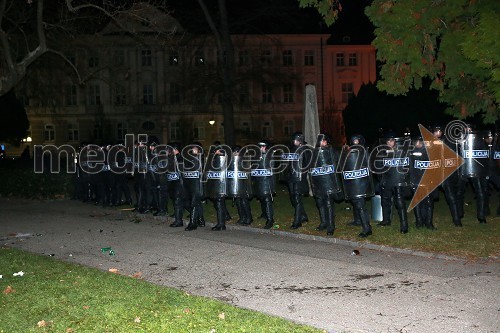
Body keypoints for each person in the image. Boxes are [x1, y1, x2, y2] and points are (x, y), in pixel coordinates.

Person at [375, 131, 410, 234]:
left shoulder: (401, 152)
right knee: (385, 200)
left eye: (393, 140)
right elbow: (378, 166)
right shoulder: (382, 152)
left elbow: (406, 167)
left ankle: (404, 225)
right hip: (386, 180)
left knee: (400, 202)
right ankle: (386, 220)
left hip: (397, 180)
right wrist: (381, 179)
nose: (391, 143)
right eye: (389, 141)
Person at [339, 134, 374, 238]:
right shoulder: (349, 153)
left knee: (360, 205)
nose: (355, 143)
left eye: (357, 142)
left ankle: (367, 228)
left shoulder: (364, 152)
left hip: (362, 182)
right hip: (353, 182)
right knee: (355, 202)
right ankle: (358, 221)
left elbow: (369, 166)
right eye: (354, 142)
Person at [309, 134, 341, 236]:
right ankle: (323, 222)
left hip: (329, 183)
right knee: (319, 203)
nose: (322, 143)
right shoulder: (314, 153)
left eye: (324, 141)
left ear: (327, 142)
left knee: (328, 204)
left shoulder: (332, 151)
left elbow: (338, 163)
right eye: (320, 141)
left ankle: (331, 226)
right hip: (318, 183)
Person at [431, 125, 463, 226]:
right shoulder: (430, 143)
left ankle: (458, 216)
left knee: (455, 195)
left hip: (450, 172)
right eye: (435, 131)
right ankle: (456, 219)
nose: (437, 133)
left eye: (439, 131)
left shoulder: (449, 142)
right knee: (448, 196)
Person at [283, 132, 311, 229]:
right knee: (293, 198)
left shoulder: (306, 150)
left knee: (297, 198)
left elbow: (309, 164)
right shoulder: (291, 150)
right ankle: (303, 216)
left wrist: (303, 175)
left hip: (299, 178)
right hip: (291, 177)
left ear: (299, 140)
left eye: (295, 140)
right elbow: (287, 163)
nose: (293, 141)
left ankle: (297, 221)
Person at [409, 136, 436, 230]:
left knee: (429, 202)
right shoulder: (412, 153)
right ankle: (419, 222)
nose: (418, 144)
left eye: (420, 142)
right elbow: (410, 168)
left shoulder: (430, 152)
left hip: (428, 181)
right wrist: (412, 181)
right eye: (416, 142)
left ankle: (429, 222)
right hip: (416, 181)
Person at [251, 140, 276, 229]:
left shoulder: (270, 156)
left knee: (267, 200)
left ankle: (270, 219)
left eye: (263, 146)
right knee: (262, 199)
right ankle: (264, 214)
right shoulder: (256, 156)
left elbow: (271, 169)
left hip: (267, 182)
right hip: (259, 181)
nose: (261, 148)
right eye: (260, 147)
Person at [205, 144, 229, 231]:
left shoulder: (223, 159)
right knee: (218, 205)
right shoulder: (213, 160)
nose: (216, 152)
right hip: (216, 186)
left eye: (217, 151)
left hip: (221, 186)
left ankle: (221, 224)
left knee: (219, 204)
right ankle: (223, 220)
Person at [182, 142, 206, 231]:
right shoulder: (189, 160)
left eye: (195, 149)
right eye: (192, 148)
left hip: (198, 184)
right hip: (191, 184)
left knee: (194, 203)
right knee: (194, 203)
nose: (193, 150)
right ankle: (200, 220)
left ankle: (193, 223)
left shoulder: (201, 160)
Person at [167, 142, 185, 227]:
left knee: (178, 201)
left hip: (179, 183)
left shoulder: (180, 159)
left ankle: (178, 221)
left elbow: (181, 172)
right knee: (178, 202)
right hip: (173, 183)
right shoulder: (171, 158)